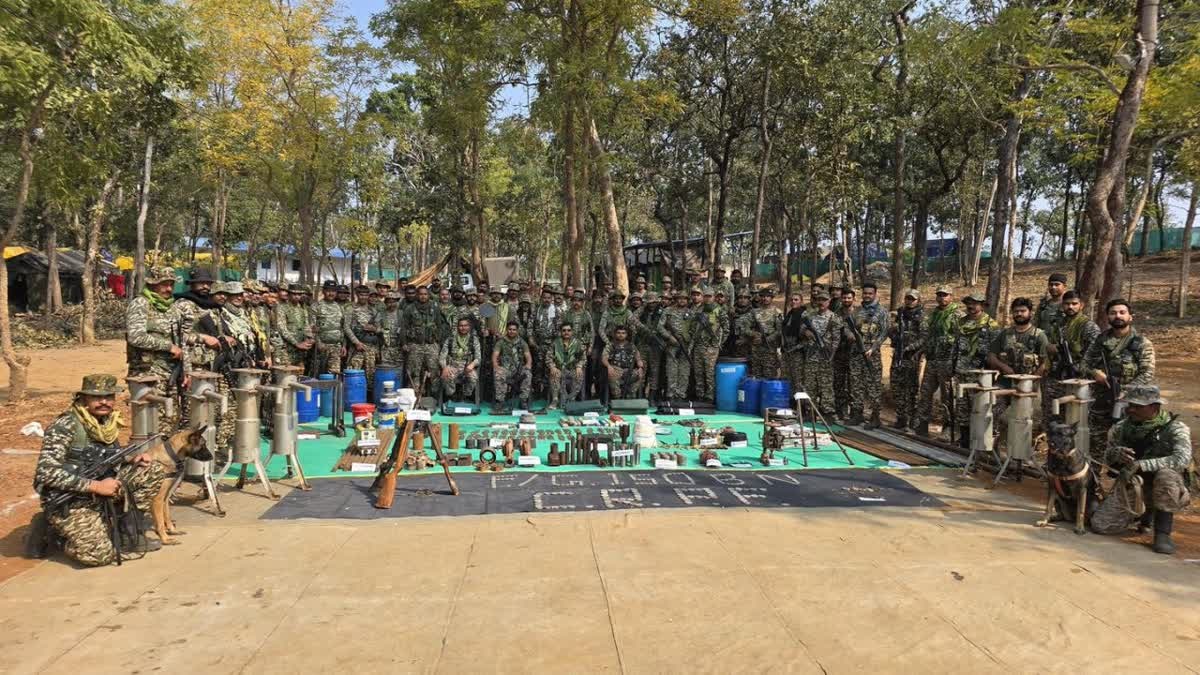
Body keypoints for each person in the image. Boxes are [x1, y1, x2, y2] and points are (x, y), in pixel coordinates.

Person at [34, 375, 168, 566]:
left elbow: (104, 454)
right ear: (83, 399)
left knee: (150, 470)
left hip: (101, 489)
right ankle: (55, 535)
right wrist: (95, 486)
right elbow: (46, 472)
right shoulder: (65, 426)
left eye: (108, 397)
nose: (104, 402)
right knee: (100, 556)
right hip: (70, 498)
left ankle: (126, 533)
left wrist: (131, 459)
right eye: (97, 397)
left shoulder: (106, 422)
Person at [1102, 385, 1192, 554]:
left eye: (1138, 406)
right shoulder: (1120, 428)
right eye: (1130, 405)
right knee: (1102, 526)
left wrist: (1142, 464)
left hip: (1165, 486)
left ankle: (1162, 533)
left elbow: (1182, 459)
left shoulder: (1175, 428)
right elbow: (1106, 458)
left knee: (1166, 475)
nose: (1131, 410)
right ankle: (1144, 512)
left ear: (1154, 407)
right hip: (1135, 483)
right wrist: (1116, 454)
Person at [1083, 298, 1156, 462]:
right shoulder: (1100, 340)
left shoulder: (1142, 343)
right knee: (1095, 445)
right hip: (1101, 401)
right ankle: (1094, 476)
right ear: (1108, 317)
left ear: (1130, 316)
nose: (1118, 316)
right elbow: (1084, 364)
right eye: (1113, 313)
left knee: (1128, 448)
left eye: (1122, 312)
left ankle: (1123, 476)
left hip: (1130, 405)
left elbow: (1147, 373)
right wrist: (1094, 372)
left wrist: (1126, 391)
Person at [125, 265, 185, 436]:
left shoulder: (173, 308)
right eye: (164, 284)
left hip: (171, 374)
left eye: (171, 284)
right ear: (152, 284)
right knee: (151, 424)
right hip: (148, 375)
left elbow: (180, 339)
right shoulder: (141, 304)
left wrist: (185, 370)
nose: (169, 289)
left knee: (170, 420)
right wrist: (167, 346)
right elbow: (136, 337)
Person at [1042, 290, 1101, 423]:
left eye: (1074, 304)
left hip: (1079, 377)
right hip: (1057, 375)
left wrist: (1081, 370)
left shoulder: (1088, 326)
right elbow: (1050, 345)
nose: (1070, 307)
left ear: (1081, 305)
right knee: (1051, 413)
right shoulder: (1058, 325)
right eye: (1067, 304)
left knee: (1077, 417)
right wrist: (1051, 348)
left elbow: (1094, 354)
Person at [913, 287, 964, 439]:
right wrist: (922, 350)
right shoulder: (933, 314)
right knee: (925, 393)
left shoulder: (958, 315)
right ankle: (922, 424)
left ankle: (948, 428)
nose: (942, 298)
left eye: (945, 295)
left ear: (951, 296)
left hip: (947, 362)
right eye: (939, 295)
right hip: (932, 360)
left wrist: (956, 362)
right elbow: (928, 336)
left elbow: (961, 340)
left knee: (947, 396)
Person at [846, 282, 889, 428]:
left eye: (870, 293)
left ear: (875, 294)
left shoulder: (882, 312)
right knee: (856, 384)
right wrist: (850, 335)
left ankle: (875, 417)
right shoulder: (856, 311)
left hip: (872, 354)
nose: (867, 296)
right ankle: (857, 413)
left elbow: (884, 332)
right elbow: (847, 327)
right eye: (865, 293)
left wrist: (874, 347)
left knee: (873, 385)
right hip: (856, 353)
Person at [799, 289, 842, 417]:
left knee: (826, 386)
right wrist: (806, 332)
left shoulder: (834, 318)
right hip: (811, 356)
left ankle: (828, 412)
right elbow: (801, 330)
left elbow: (836, 339)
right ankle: (810, 411)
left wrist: (831, 356)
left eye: (824, 300)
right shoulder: (809, 316)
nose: (821, 302)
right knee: (810, 385)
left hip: (825, 356)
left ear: (829, 301)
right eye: (819, 300)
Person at [889, 289, 926, 430]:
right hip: (898, 355)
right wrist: (894, 335)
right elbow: (892, 330)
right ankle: (901, 417)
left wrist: (911, 348)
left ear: (918, 300)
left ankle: (912, 419)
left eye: (913, 299)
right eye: (907, 298)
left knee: (911, 389)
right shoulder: (900, 313)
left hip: (912, 357)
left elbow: (924, 337)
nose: (909, 301)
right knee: (896, 386)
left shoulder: (922, 316)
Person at [401, 286, 445, 395]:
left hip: (431, 345)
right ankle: (414, 395)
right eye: (421, 294)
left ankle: (434, 395)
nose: (423, 296)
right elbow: (404, 327)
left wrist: (438, 341)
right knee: (414, 371)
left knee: (434, 370)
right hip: (415, 345)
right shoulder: (410, 309)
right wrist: (404, 343)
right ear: (417, 295)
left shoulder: (435, 307)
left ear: (428, 295)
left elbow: (440, 325)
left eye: (425, 294)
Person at [690, 286, 725, 402]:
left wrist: (719, 342)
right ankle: (699, 395)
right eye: (705, 296)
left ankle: (710, 396)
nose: (707, 299)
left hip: (712, 346)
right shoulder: (698, 310)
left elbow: (726, 328)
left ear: (714, 297)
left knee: (709, 373)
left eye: (709, 296)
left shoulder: (719, 310)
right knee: (698, 372)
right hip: (698, 345)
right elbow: (693, 326)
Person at [659, 291, 694, 400]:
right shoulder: (668, 311)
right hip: (672, 345)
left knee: (684, 371)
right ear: (675, 299)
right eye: (679, 298)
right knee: (671, 370)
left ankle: (681, 394)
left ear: (687, 300)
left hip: (686, 346)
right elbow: (660, 327)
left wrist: (690, 343)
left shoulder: (691, 313)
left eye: (684, 298)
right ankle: (671, 394)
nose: (682, 300)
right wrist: (669, 337)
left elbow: (694, 330)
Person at [492, 320, 532, 411]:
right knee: (499, 374)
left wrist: (528, 364)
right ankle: (500, 401)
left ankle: (523, 400)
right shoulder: (501, 342)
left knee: (527, 374)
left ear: (517, 331)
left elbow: (528, 355)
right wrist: (496, 366)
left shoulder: (522, 342)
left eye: (514, 330)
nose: (512, 331)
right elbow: (495, 355)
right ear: (507, 330)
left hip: (518, 368)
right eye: (510, 329)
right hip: (505, 368)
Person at [345, 284, 380, 390]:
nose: (363, 297)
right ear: (357, 295)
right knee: (353, 374)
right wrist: (356, 342)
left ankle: (369, 397)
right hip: (356, 348)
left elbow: (380, 328)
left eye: (366, 295)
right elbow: (346, 327)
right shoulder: (350, 309)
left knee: (371, 376)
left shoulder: (373, 310)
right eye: (361, 295)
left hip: (371, 348)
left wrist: (374, 329)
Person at [440, 317, 481, 401]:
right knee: (446, 376)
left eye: (465, 325)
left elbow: (478, 358)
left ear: (469, 327)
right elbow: (442, 357)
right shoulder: (450, 339)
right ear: (457, 327)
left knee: (473, 378)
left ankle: (465, 395)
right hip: (453, 366)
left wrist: (472, 365)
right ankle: (451, 396)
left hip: (467, 367)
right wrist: (445, 367)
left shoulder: (474, 340)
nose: (463, 328)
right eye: (461, 326)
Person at [311, 281, 346, 374]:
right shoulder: (316, 306)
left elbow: (342, 327)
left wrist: (343, 345)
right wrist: (318, 343)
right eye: (328, 291)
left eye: (333, 291)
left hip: (336, 347)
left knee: (334, 374)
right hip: (321, 347)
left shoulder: (339, 307)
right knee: (318, 374)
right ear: (323, 291)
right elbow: (311, 328)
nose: (331, 293)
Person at [548, 322, 585, 409]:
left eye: (569, 330)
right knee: (554, 374)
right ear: (561, 332)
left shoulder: (578, 343)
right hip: (559, 369)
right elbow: (548, 357)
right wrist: (552, 367)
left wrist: (579, 366)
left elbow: (583, 358)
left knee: (579, 374)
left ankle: (571, 399)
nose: (566, 332)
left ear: (572, 332)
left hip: (572, 369)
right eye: (564, 330)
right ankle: (555, 400)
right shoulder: (555, 343)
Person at [277, 284, 315, 368]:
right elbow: (282, 329)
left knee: (300, 372)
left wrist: (310, 338)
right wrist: (296, 343)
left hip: (301, 349)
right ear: (289, 294)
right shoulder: (282, 307)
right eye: (294, 294)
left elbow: (306, 326)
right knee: (287, 372)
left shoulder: (302, 308)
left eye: (299, 294)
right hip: (287, 350)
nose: (297, 296)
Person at [832, 287, 855, 420]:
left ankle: (854, 411)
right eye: (844, 297)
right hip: (839, 353)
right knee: (839, 383)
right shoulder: (836, 314)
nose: (846, 300)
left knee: (853, 383)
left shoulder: (858, 313)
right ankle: (840, 410)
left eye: (849, 298)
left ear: (853, 299)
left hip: (854, 354)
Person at [638, 291, 666, 401]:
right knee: (642, 369)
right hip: (643, 344)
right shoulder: (642, 311)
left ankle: (652, 396)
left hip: (656, 345)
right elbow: (632, 318)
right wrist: (642, 306)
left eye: (654, 302)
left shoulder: (661, 312)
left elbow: (663, 326)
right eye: (649, 302)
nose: (652, 304)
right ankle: (640, 394)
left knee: (654, 371)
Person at [603, 325, 644, 399]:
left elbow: (638, 358)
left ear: (626, 334)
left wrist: (640, 367)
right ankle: (617, 397)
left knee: (639, 374)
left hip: (629, 370)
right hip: (616, 369)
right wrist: (609, 366)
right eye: (618, 333)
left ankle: (631, 395)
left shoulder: (631, 345)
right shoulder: (611, 345)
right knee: (612, 376)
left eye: (623, 333)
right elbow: (604, 358)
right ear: (615, 334)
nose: (621, 335)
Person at [780, 293, 808, 397]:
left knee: (798, 378)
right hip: (786, 350)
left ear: (801, 302)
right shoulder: (789, 314)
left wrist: (797, 346)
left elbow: (807, 336)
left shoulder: (804, 315)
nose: (793, 302)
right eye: (792, 300)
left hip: (798, 351)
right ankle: (788, 400)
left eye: (796, 300)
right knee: (786, 376)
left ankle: (799, 403)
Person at [377, 291, 404, 369]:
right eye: (389, 302)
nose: (392, 304)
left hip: (399, 348)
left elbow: (406, 328)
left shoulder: (401, 314)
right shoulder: (381, 314)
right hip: (386, 348)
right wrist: (382, 330)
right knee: (387, 370)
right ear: (385, 303)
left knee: (399, 371)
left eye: (393, 302)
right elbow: (374, 327)